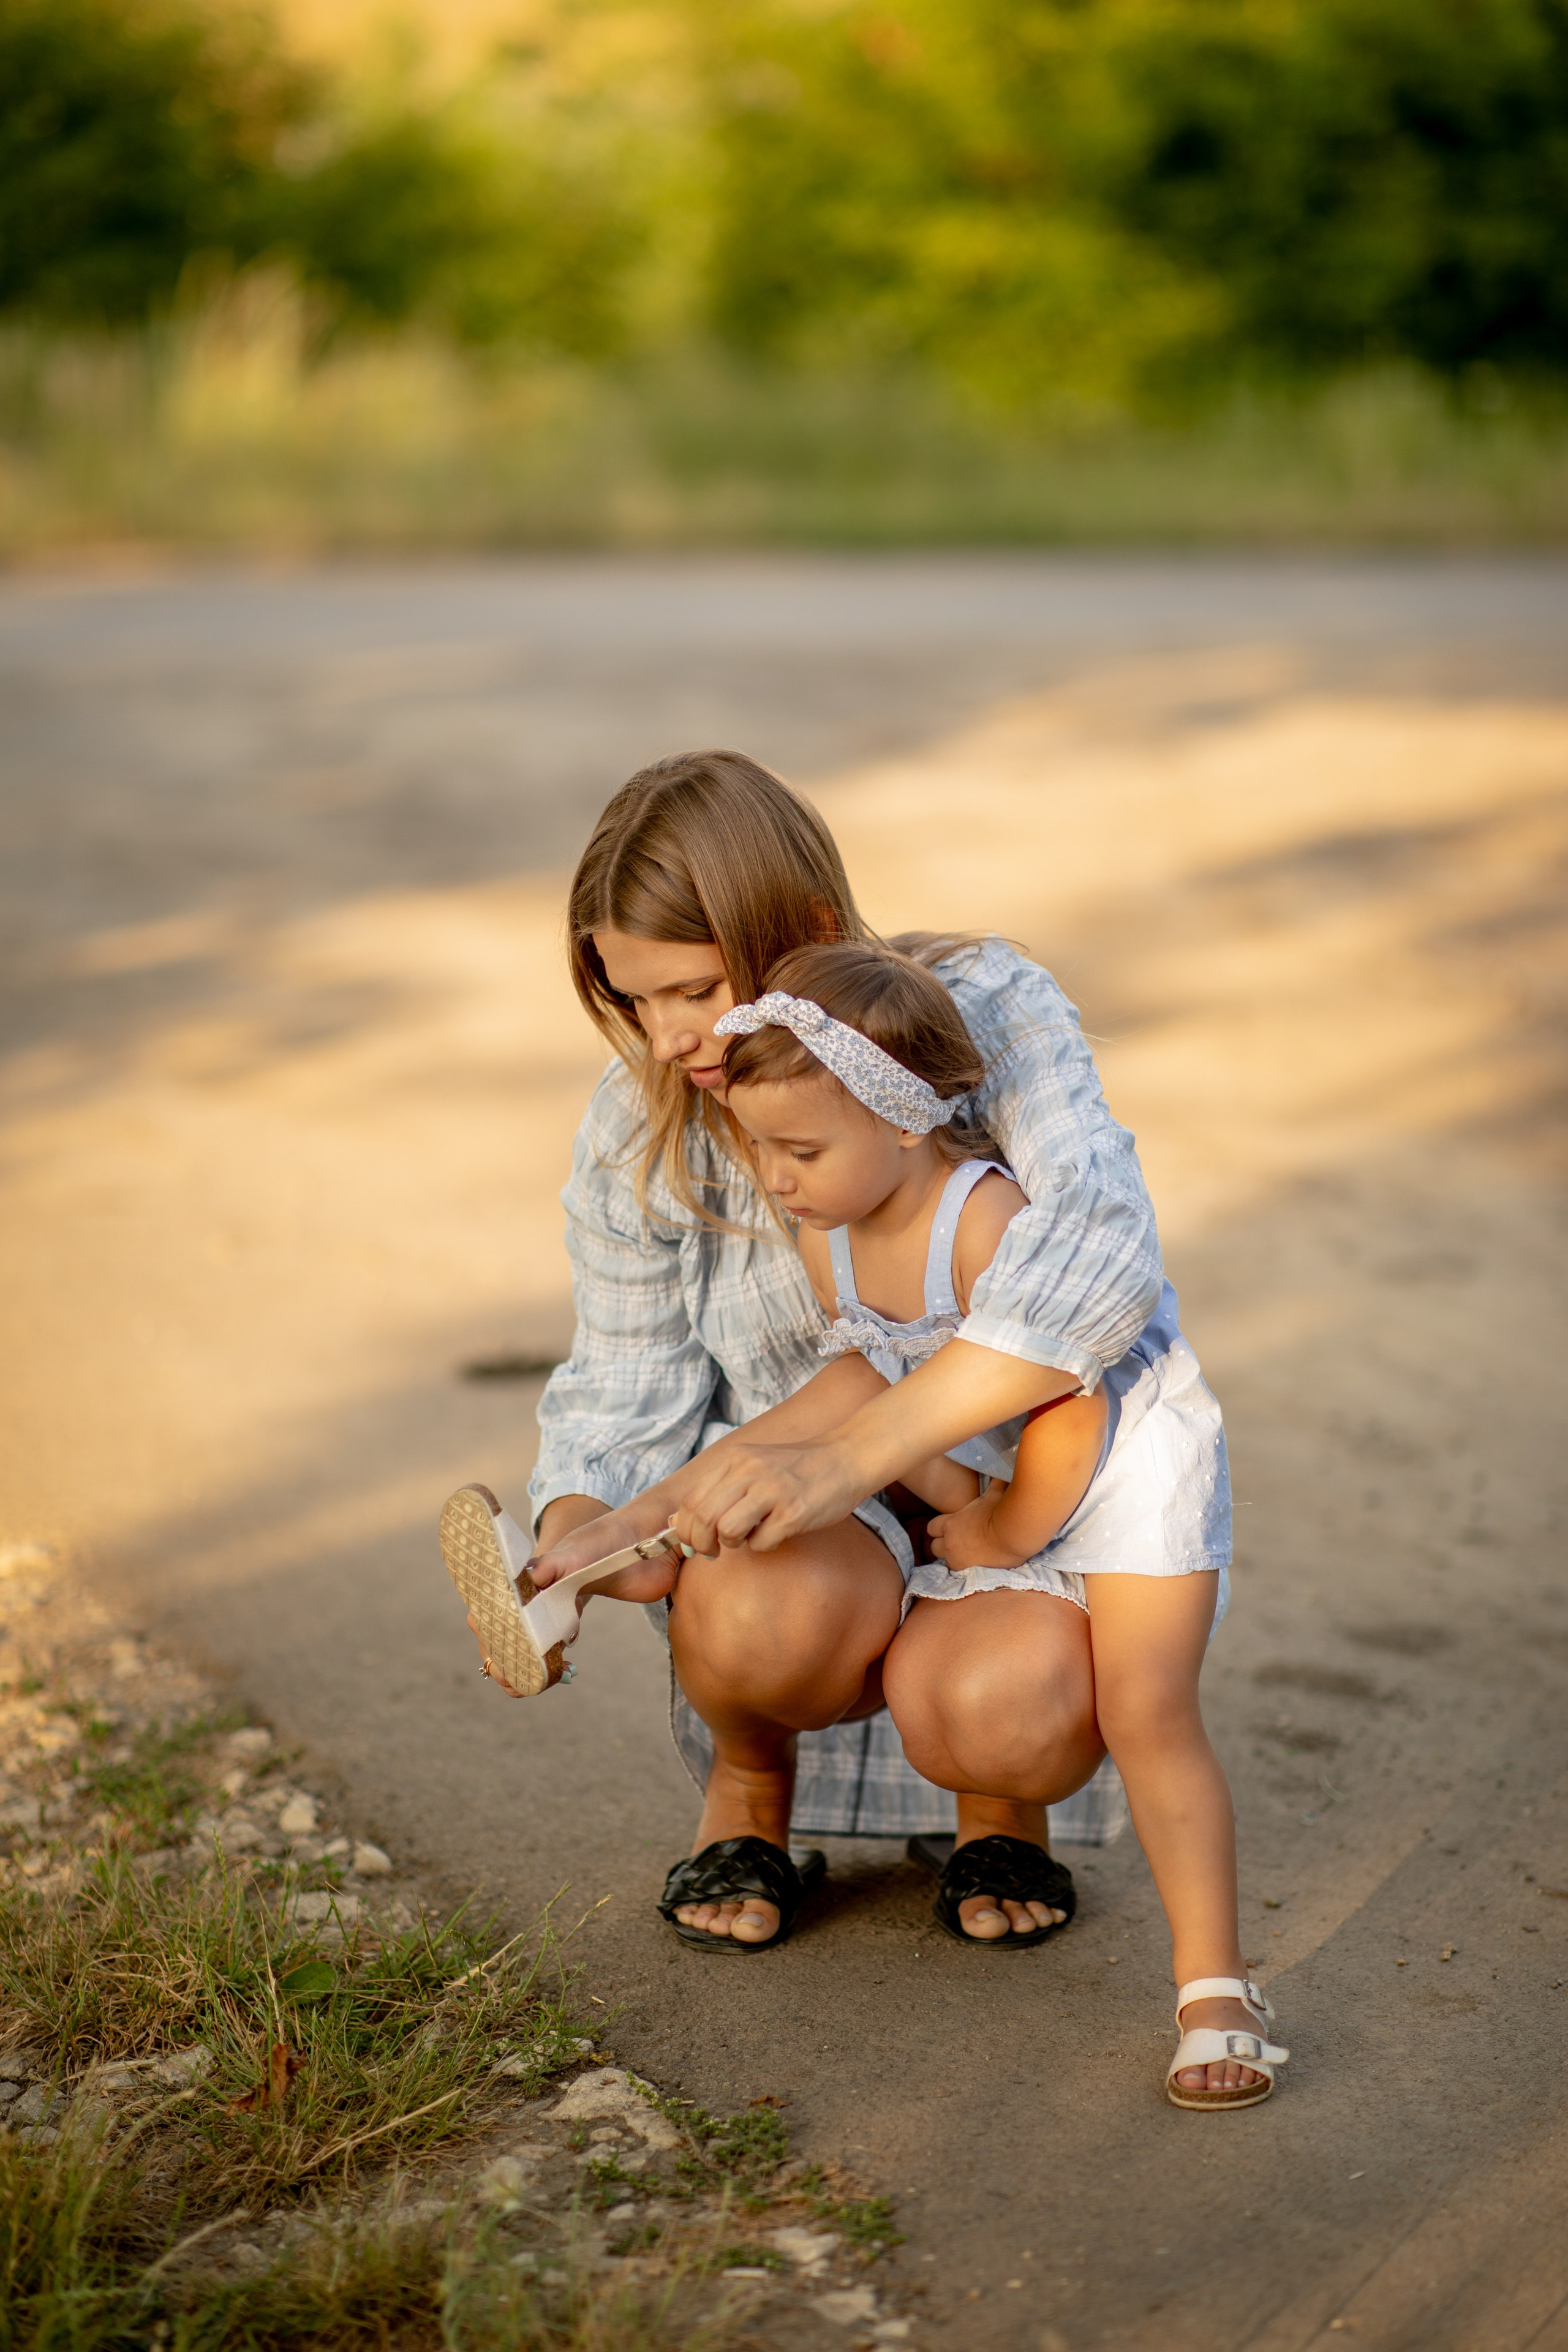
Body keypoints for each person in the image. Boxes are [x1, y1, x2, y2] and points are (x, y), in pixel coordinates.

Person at [437, 747, 1270, 2103]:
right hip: (828, 1498)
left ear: (803, 935)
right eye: (631, 1002)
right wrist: (596, 1525)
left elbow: (1096, 1271)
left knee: (1011, 1703)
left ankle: (998, 1810)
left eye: (696, 992)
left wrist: (859, 1461)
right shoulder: (641, 1126)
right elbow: (630, 1373)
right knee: (749, 1609)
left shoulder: (977, 1012)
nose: (669, 1043)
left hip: (1016, 1492)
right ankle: (748, 1798)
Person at [704, 942, 1286, 2109]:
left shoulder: (982, 1219)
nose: (775, 1177)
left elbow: (1066, 1404)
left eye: (801, 1149)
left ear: (907, 1123)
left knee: (1145, 1708)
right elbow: (897, 1396)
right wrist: (721, 1489)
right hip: (1018, 1482)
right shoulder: (833, 1234)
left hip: (1119, 1459)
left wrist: (1008, 1535)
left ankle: (1215, 1990)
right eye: (758, 1146)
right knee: (963, 1686)